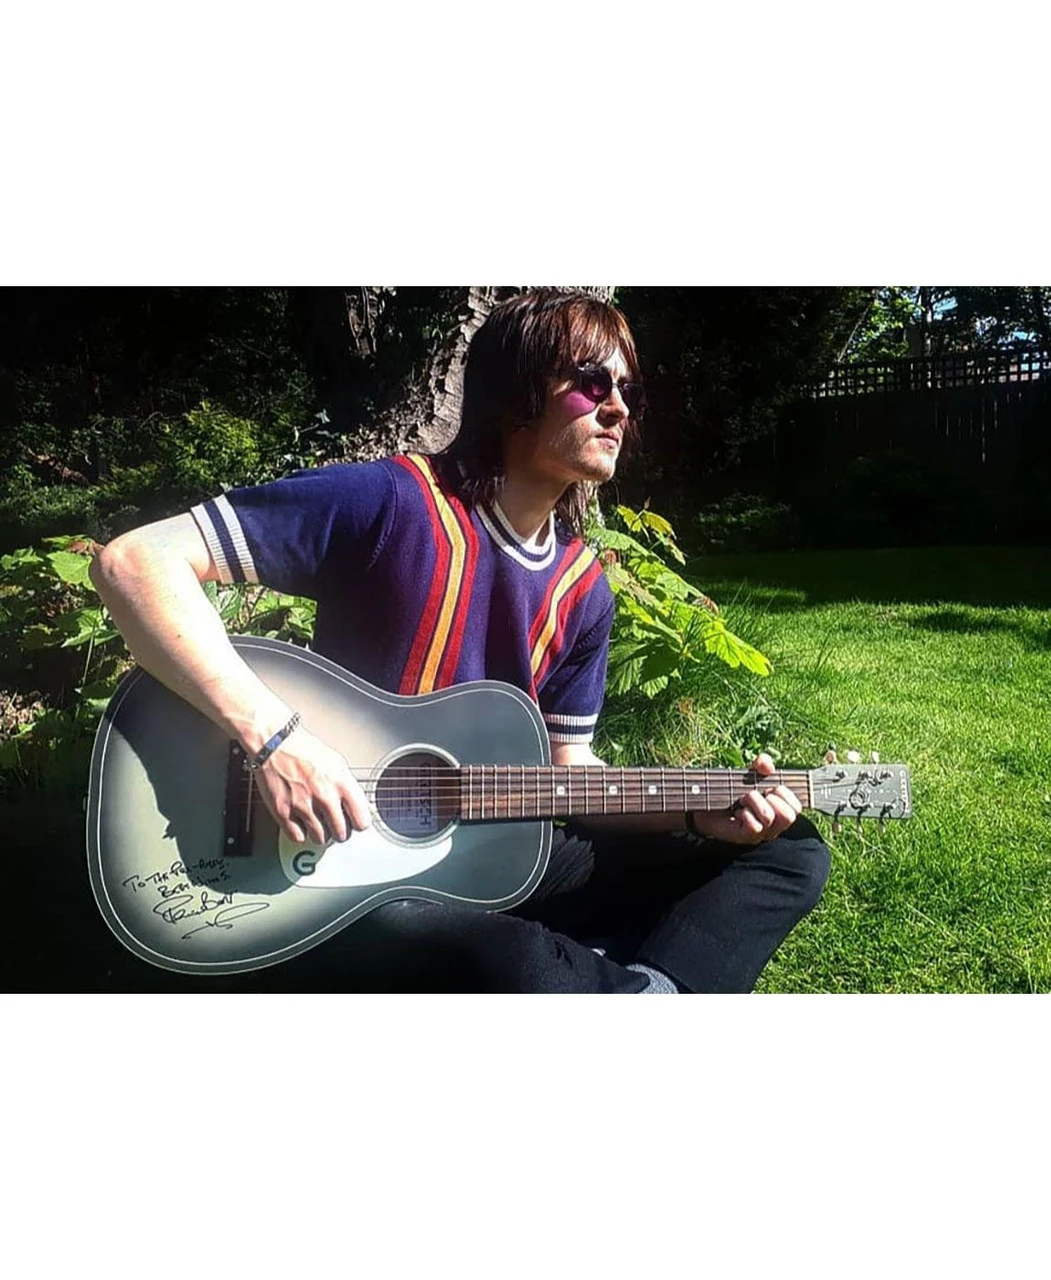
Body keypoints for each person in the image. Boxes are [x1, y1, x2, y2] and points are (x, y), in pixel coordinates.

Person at [90, 289, 830, 992]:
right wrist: (275, 741)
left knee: (789, 852)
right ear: (517, 392)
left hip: (492, 851)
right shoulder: (391, 503)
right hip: (334, 863)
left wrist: (700, 813)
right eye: (591, 382)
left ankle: (651, 991)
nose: (618, 407)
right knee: (514, 964)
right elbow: (134, 562)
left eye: (627, 389)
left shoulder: (583, 589)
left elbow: (571, 774)